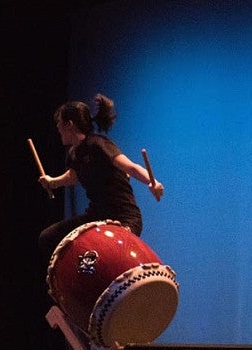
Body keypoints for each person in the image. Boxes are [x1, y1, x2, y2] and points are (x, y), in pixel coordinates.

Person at [37, 94, 164, 259]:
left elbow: (130, 167)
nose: (58, 127)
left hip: (123, 217)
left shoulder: (98, 144)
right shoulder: (74, 153)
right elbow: (73, 176)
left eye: (59, 122)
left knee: (109, 254)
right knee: (48, 238)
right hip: (97, 216)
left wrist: (153, 182)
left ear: (69, 124)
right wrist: (53, 182)